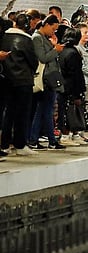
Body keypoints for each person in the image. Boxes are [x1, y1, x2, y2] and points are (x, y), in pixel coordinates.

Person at [0, 13, 38, 156]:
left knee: (8, 112)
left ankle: (4, 144)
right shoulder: (26, 40)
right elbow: (33, 61)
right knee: (22, 114)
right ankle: (20, 144)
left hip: (6, 79)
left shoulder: (4, 37)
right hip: (23, 80)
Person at [30, 14, 66, 150]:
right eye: (53, 28)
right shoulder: (37, 38)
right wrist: (55, 50)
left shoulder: (44, 38)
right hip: (45, 79)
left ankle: (38, 139)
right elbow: (42, 57)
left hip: (50, 78)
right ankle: (49, 140)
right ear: (45, 25)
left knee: (44, 110)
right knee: (45, 110)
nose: (54, 32)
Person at [58, 27, 86, 146]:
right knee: (69, 111)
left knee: (65, 110)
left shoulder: (63, 51)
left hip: (63, 85)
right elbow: (76, 73)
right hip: (71, 86)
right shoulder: (73, 53)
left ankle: (72, 134)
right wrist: (80, 90)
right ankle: (66, 135)